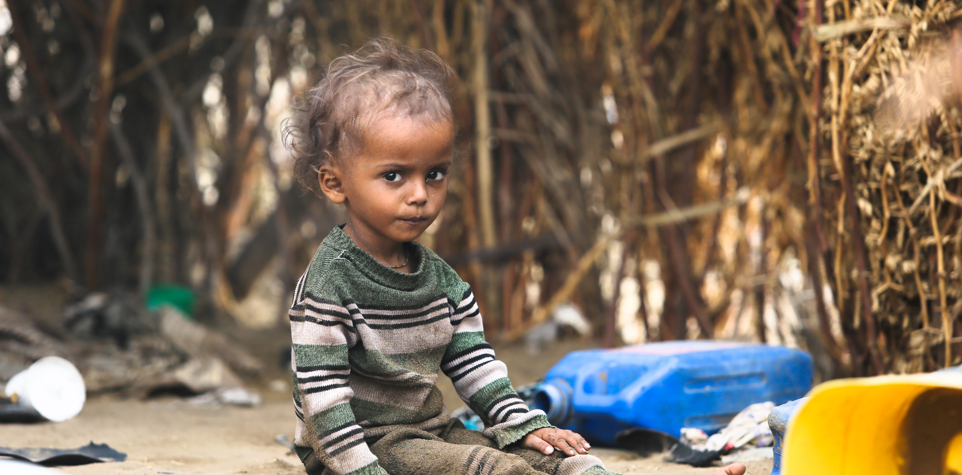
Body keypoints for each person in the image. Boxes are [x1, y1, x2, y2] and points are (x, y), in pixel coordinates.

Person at [284, 37, 747, 475]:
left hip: (428, 433)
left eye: (436, 173)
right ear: (334, 182)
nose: (420, 194)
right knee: (495, 469)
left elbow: (474, 366)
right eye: (393, 176)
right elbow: (324, 404)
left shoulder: (440, 281)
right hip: (356, 448)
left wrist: (524, 427)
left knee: (563, 460)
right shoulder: (328, 286)